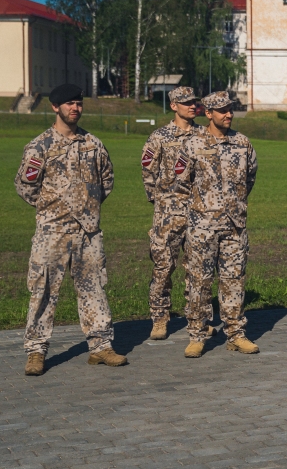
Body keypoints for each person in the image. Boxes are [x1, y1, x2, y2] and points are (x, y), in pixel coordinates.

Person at [15, 83, 126, 375]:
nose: (75, 108)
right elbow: (25, 187)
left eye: (78, 103)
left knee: (94, 289)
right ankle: (36, 351)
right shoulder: (40, 146)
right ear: (55, 107)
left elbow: (106, 181)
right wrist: (52, 210)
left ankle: (101, 346)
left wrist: (87, 209)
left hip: (88, 233)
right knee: (43, 290)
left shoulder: (93, 144)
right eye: (68, 103)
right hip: (52, 232)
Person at [174, 92, 259, 358]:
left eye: (230, 109)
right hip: (202, 226)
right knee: (199, 282)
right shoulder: (192, 144)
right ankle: (197, 336)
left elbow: (250, 179)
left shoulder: (242, 143)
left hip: (234, 226)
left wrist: (234, 206)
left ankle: (235, 334)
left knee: (234, 281)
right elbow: (181, 182)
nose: (228, 114)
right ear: (208, 113)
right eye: (222, 110)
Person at [141, 86, 210, 340]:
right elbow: (148, 170)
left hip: (200, 212)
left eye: (194, 102)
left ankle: (198, 319)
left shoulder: (205, 135)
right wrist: (159, 200)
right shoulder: (160, 137)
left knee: (198, 269)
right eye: (186, 103)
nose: (193, 106)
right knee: (163, 267)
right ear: (173, 106)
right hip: (168, 213)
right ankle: (160, 318)